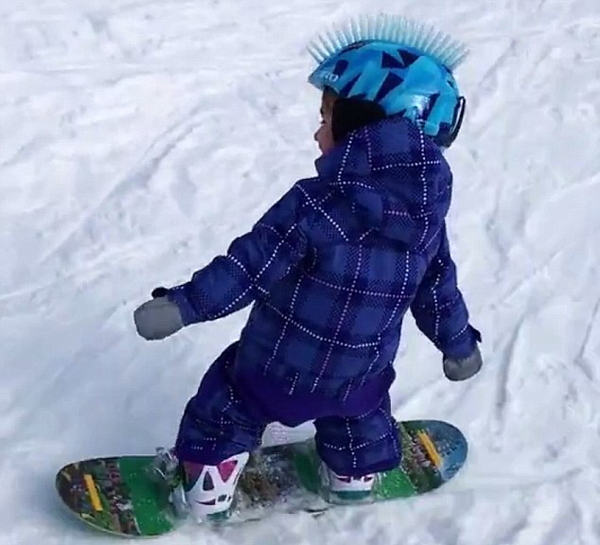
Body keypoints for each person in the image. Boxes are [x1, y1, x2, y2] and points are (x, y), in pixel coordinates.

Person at [134, 14, 482, 522]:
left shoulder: (315, 205)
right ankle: (354, 474)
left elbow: (249, 266)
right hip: (357, 379)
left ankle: (208, 480)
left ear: (361, 126)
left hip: (272, 368)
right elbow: (439, 295)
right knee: (361, 414)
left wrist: (183, 305)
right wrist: (460, 346)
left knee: (229, 402)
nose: (318, 130)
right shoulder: (428, 224)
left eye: (327, 117)